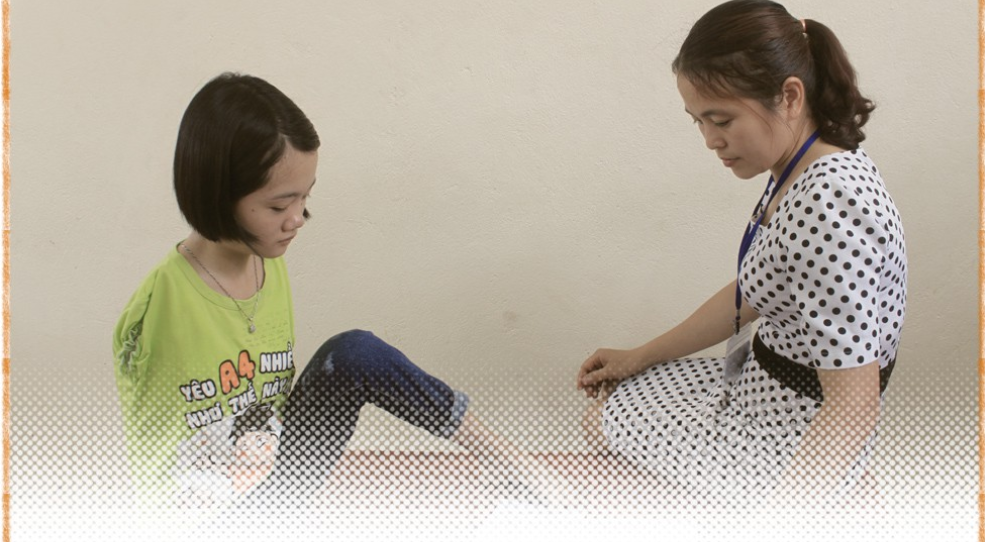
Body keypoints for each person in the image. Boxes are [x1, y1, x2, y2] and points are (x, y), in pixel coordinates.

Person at [114, 72, 539, 508]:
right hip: (206, 513)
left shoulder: (266, 263)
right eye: (279, 205)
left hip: (273, 479)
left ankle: (506, 460)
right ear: (218, 193)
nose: (296, 218)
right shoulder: (161, 309)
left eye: (304, 199)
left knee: (353, 352)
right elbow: (157, 468)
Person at [576, 0, 906, 501]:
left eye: (722, 120)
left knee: (601, 418)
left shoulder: (831, 206)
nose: (710, 140)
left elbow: (852, 409)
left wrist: (786, 517)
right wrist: (638, 356)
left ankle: (832, 493)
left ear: (789, 96)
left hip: (786, 435)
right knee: (617, 391)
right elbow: (754, 292)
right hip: (756, 388)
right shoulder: (807, 165)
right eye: (698, 122)